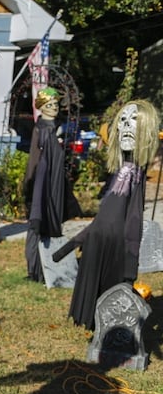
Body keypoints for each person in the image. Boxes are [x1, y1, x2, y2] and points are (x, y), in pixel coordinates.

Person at [65, 100, 160, 329]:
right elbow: (106, 215)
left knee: (113, 299)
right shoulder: (121, 172)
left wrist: (130, 264)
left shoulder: (134, 174)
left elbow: (133, 220)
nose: (127, 126)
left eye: (135, 121)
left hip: (114, 248)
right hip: (99, 243)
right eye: (123, 121)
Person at [22, 87, 82, 283]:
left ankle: (48, 265)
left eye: (56, 104)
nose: (54, 108)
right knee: (38, 224)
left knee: (50, 222)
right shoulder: (42, 130)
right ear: (41, 107)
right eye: (49, 105)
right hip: (43, 187)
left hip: (53, 185)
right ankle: (36, 269)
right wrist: (33, 190)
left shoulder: (51, 129)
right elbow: (36, 163)